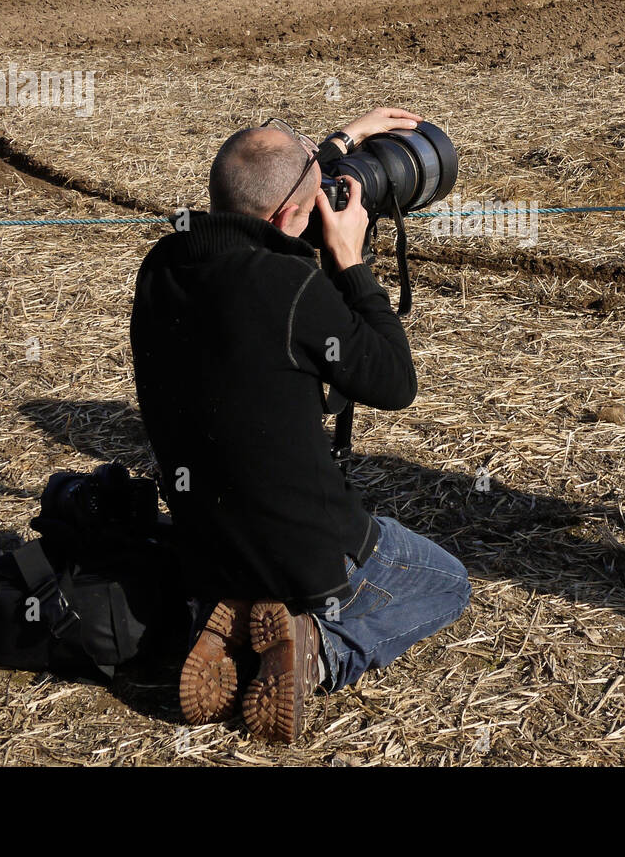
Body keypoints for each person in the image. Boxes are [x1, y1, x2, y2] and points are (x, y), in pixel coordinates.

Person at [130, 108, 472, 744]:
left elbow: (265, 192)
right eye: (318, 191)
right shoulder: (289, 287)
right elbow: (395, 382)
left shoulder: (161, 268)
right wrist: (348, 259)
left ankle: (227, 616)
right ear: (293, 212)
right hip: (308, 553)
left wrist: (339, 142)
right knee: (448, 584)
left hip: (205, 546)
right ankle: (316, 645)